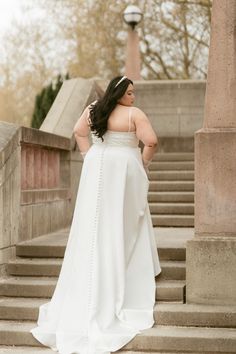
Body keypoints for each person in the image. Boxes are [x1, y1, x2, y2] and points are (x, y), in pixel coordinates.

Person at [30, 75, 162, 354]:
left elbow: (79, 132)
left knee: (94, 220)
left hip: (97, 166)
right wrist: (142, 163)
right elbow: (151, 141)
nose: (133, 97)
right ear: (119, 93)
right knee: (125, 219)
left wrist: (89, 155)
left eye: (133, 93)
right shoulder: (133, 115)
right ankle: (122, 264)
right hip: (124, 168)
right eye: (129, 92)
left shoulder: (94, 109)